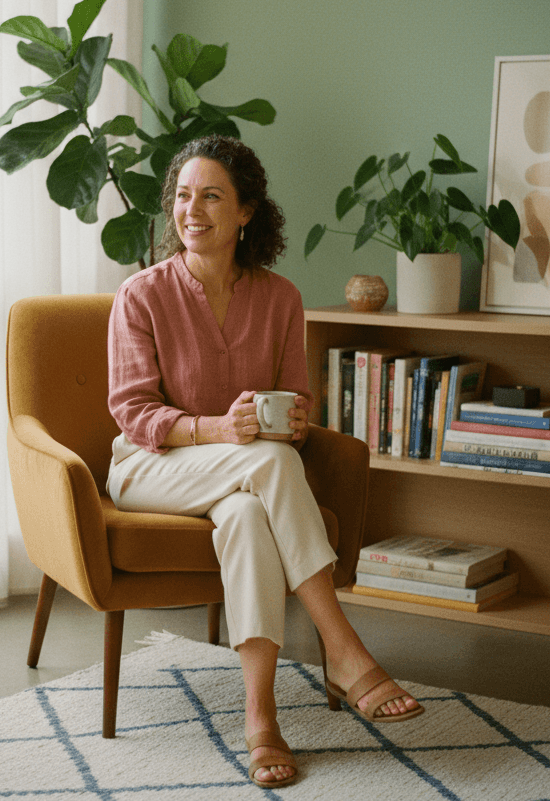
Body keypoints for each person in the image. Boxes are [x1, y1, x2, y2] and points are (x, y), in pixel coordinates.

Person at [107, 135, 423, 788]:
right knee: (270, 466)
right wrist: (218, 427)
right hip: (151, 464)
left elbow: (295, 398)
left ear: (246, 211)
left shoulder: (280, 298)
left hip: (239, 474)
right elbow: (133, 413)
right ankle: (343, 647)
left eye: (212, 196)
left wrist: (296, 420)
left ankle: (261, 719)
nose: (192, 210)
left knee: (251, 513)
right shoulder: (141, 295)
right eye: (184, 196)